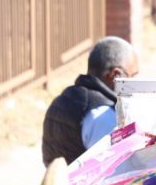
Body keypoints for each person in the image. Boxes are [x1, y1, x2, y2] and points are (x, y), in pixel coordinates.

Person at [41, 37, 139, 166]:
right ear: (115, 75)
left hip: (57, 178)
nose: (135, 83)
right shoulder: (102, 115)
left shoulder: (63, 99)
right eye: (133, 76)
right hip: (82, 179)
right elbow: (116, 167)